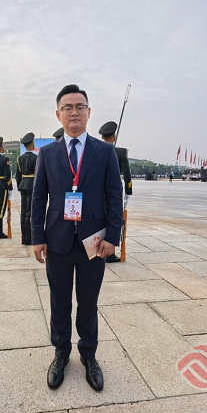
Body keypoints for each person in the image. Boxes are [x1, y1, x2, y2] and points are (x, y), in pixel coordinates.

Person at [32, 84, 123, 391]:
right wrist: (37, 237)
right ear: (58, 114)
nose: (74, 112)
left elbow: (114, 195)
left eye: (80, 107)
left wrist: (113, 236)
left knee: (88, 302)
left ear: (89, 112)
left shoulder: (105, 152)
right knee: (59, 302)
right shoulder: (47, 153)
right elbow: (38, 198)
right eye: (67, 107)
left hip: (93, 242)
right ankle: (61, 354)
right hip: (57, 241)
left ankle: (88, 355)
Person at [98, 121, 132, 263]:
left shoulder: (97, 150)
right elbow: (126, 172)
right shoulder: (121, 152)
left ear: (102, 137)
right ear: (114, 136)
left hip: (99, 189)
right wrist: (129, 191)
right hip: (114, 189)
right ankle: (110, 252)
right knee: (114, 216)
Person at [16, 132, 37, 245]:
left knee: (23, 211)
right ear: (32, 144)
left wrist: (20, 186)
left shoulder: (20, 158)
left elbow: (18, 175)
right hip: (32, 185)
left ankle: (24, 237)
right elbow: (38, 174)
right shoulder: (36, 157)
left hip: (23, 184)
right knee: (30, 212)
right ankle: (29, 238)